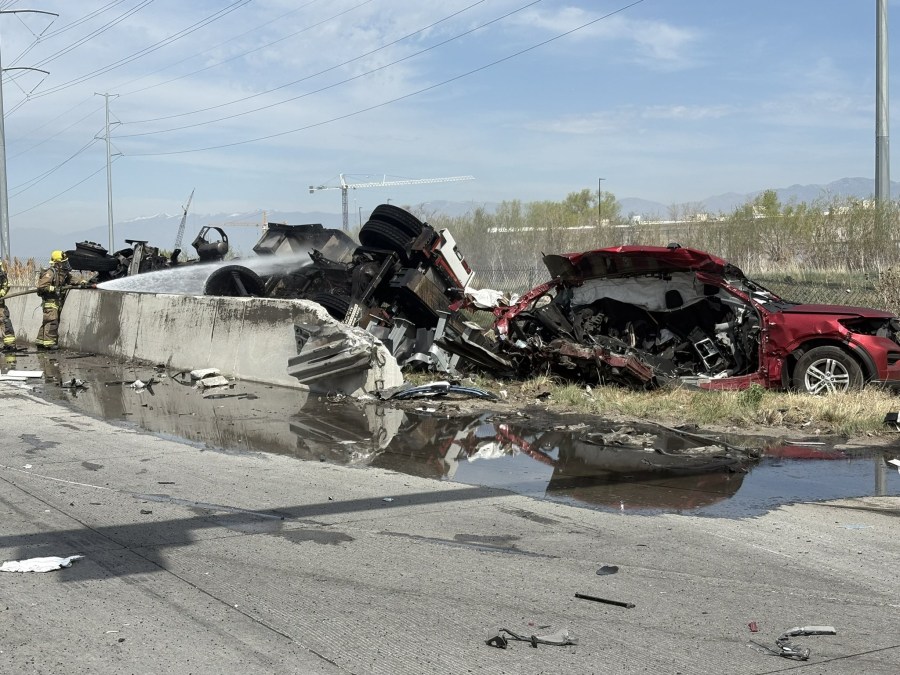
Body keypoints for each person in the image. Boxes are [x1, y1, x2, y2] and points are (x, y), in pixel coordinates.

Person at [35, 250, 79, 350]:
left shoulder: (63, 274)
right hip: (50, 302)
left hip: (56, 302)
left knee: (47, 322)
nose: (65, 264)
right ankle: (49, 344)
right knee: (52, 321)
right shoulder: (50, 273)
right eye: (63, 262)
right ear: (57, 263)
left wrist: (82, 282)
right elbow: (41, 286)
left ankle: (41, 342)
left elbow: (71, 280)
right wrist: (53, 288)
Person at [0, 259, 16, 350]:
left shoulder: (2, 275)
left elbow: (6, 285)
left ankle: (9, 345)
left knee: (5, 323)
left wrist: (2, 292)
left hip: (0, 306)